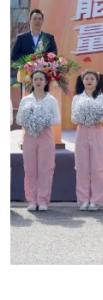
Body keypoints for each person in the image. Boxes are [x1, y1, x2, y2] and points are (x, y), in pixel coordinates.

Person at [16, 70, 61, 211]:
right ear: (31, 81)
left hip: (45, 135)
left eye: (41, 79)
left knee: (45, 168)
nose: (38, 81)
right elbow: (18, 119)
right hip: (30, 136)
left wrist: (43, 120)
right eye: (35, 79)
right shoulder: (26, 100)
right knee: (30, 168)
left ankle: (43, 201)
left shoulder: (51, 100)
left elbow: (57, 119)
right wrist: (30, 120)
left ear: (46, 82)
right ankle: (31, 200)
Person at [71, 70, 103, 211]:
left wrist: (93, 116)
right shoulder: (77, 98)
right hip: (81, 131)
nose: (89, 81)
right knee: (81, 167)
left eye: (92, 78)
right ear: (82, 81)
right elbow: (73, 119)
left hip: (96, 131)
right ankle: (83, 199)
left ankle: (96, 200)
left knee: (98, 167)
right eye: (86, 78)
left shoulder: (102, 98)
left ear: (97, 81)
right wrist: (83, 115)